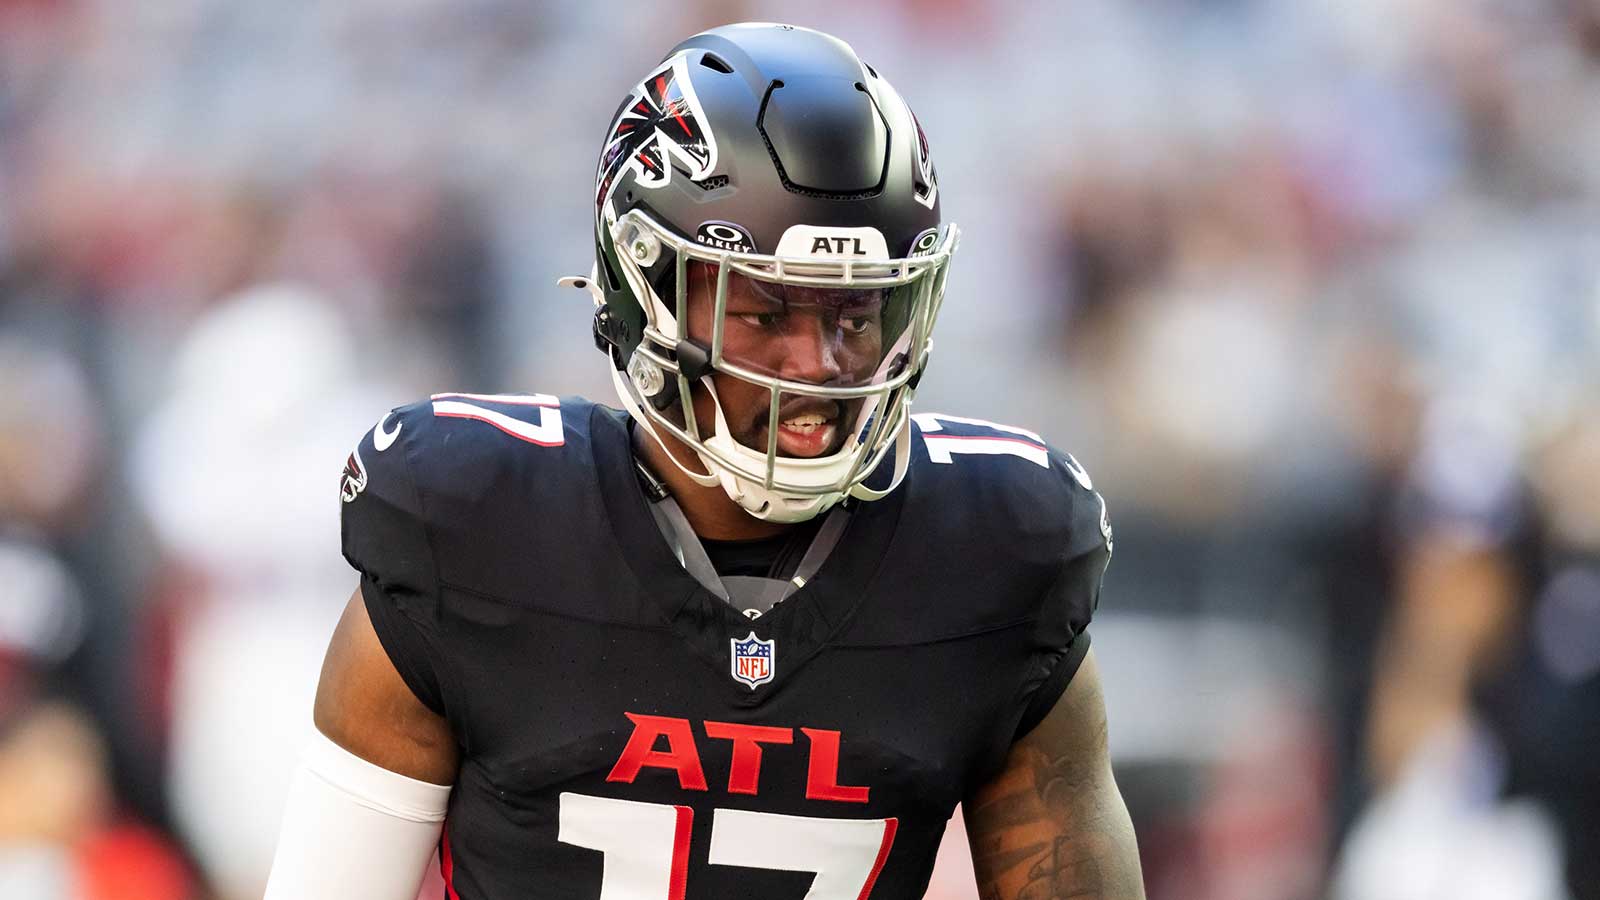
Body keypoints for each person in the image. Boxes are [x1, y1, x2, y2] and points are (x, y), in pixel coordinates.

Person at [265, 22, 1144, 900]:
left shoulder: (998, 554)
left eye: (855, 315)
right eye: (765, 313)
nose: (821, 364)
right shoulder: (473, 524)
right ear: (640, 290)